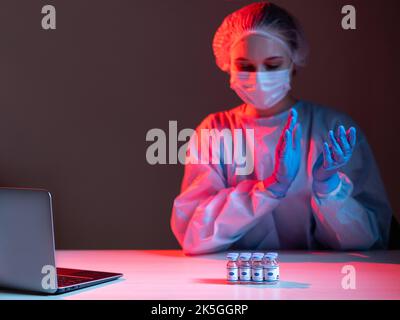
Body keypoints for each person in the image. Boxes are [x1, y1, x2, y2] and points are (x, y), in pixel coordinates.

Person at [170, 1, 392, 255]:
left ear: (294, 62)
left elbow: (370, 242)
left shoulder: (333, 129)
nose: (259, 77)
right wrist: (269, 188)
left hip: (323, 284)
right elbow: (193, 236)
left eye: (273, 65)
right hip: (240, 281)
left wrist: (329, 188)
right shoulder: (216, 131)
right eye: (245, 66)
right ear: (227, 65)